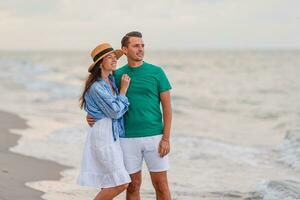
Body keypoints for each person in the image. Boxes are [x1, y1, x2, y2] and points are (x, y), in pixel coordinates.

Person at [87, 31, 172, 200]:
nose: (140, 49)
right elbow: (102, 96)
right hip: (126, 138)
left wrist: (166, 138)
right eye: (135, 46)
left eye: (142, 45)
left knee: (161, 185)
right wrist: (91, 115)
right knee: (132, 186)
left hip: (154, 136)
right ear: (124, 50)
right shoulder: (116, 75)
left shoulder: (157, 72)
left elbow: (167, 107)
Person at [78, 43, 132, 200]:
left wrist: (119, 99)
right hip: (103, 135)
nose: (115, 60)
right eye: (110, 57)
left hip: (111, 134)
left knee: (109, 182)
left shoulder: (111, 82)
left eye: (115, 57)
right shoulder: (96, 87)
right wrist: (123, 91)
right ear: (100, 63)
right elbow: (115, 111)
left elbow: (115, 111)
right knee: (121, 183)